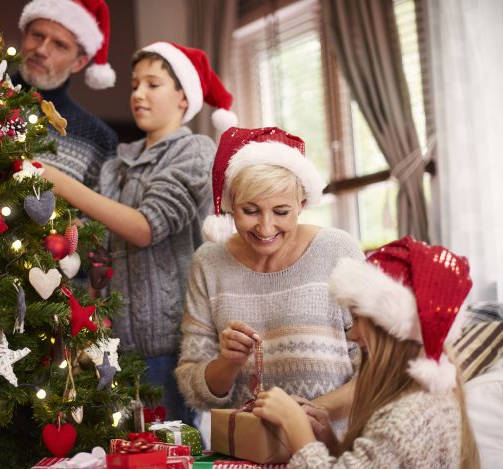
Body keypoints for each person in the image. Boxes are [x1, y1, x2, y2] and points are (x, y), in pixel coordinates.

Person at [40, 41, 237, 421]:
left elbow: (146, 227)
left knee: (168, 449)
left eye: (153, 84)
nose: (138, 94)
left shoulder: (196, 151)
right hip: (110, 344)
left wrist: (60, 183)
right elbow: (101, 233)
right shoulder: (115, 166)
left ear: (183, 97)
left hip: (170, 346)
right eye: (134, 85)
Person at [175, 127, 362, 423]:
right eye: (250, 210)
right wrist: (228, 362)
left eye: (281, 211)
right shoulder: (209, 262)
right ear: (230, 204)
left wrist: (299, 417)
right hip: (249, 455)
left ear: (301, 203)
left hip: (333, 451)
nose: (265, 228)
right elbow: (193, 390)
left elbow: (378, 372)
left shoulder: (337, 251)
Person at [252, 236, 480, 468]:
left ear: (391, 327)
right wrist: (329, 442)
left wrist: (295, 425)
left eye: (359, 319)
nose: (352, 334)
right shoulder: (423, 403)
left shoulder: (405, 422)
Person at [15, 0, 118, 188]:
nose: (41, 50)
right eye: (37, 35)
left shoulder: (98, 138)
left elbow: (95, 217)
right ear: (24, 35)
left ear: (79, 63)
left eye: (60, 45)